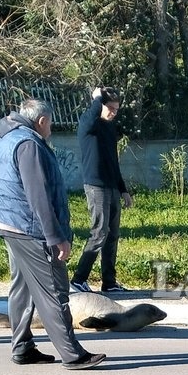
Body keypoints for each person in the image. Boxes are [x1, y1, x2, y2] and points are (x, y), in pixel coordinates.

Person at [0, 98, 105, 369]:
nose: (50, 128)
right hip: (29, 227)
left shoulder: (4, 140)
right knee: (54, 289)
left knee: (22, 289)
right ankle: (72, 354)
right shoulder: (29, 144)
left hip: (8, 223)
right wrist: (55, 236)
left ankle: (23, 348)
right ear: (41, 121)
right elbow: (37, 194)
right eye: (49, 123)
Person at [70, 86, 134, 293]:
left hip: (112, 186)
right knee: (99, 232)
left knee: (112, 234)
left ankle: (109, 282)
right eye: (110, 108)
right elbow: (91, 114)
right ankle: (79, 279)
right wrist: (97, 98)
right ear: (100, 105)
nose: (113, 113)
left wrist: (123, 189)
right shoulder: (89, 124)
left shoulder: (109, 128)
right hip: (95, 186)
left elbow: (113, 161)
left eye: (117, 109)